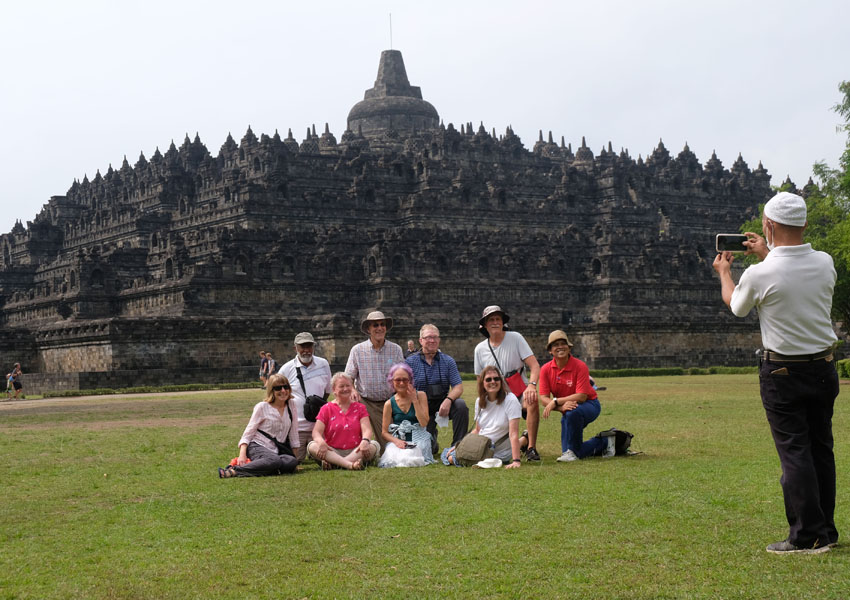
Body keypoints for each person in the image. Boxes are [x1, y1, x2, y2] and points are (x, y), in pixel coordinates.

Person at [713, 191, 839, 555]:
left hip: (782, 372)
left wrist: (725, 273)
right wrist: (768, 253)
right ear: (805, 224)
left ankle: (806, 536)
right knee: (820, 450)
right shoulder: (825, 262)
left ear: (767, 225)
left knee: (794, 453)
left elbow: (737, 305)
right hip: (823, 368)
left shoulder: (759, 273)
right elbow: (791, 277)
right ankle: (825, 530)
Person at [473, 305, 541, 461]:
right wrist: (483, 402)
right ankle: (522, 441)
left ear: (503, 322)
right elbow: (480, 380)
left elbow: (535, 366)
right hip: (497, 397)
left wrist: (531, 385)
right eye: (491, 320)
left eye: (498, 319)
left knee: (532, 400)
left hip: (519, 392)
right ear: (485, 325)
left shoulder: (516, 338)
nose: (495, 322)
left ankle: (531, 447)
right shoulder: (480, 349)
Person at [540, 330, 613, 462]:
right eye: (555, 345)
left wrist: (556, 401)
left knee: (572, 414)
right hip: (567, 409)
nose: (560, 347)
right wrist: (561, 408)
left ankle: (597, 444)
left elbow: (582, 396)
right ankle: (606, 441)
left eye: (563, 343)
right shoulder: (545, 369)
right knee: (570, 451)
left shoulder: (580, 366)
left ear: (569, 347)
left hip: (589, 405)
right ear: (550, 351)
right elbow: (544, 398)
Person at [345, 310, 404, 453]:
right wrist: (352, 390)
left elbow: (403, 376)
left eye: (382, 324)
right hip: (365, 401)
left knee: (389, 448)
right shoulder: (357, 350)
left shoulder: (395, 349)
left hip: (389, 402)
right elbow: (348, 377)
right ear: (368, 329)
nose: (379, 328)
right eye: (375, 325)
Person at [219, 374, 300, 478]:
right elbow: (249, 432)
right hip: (257, 445)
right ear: (272, 390)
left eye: (286, 387)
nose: (283, 391)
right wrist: (242, 455)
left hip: (276, 450)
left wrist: (295, 461)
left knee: (291, 462)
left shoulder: (291, 405)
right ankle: (234, 471)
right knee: (274, 460)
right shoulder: (262, 407)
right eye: (278, 388)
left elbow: (294, 434)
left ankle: (261, 468)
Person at [443, 365, 522, 469]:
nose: (493, 382)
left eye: (496, 378)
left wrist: (516, 460)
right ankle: (524, 439)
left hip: (497, 449)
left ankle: (524, 440)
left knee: (452, 459)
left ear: (501, 381)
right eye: (488, 379)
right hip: (479, 445)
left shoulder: (510, 400)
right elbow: (477, 429)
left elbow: (513, 433)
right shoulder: (480, 401)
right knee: (448, 452)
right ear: (483, 383)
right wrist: (460, 445)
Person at [406, 323, 468, 453]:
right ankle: (431, 437)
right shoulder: (410, 362)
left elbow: (458, 387)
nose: (432, 340)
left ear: (439, 340)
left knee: (460, 405)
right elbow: (405, 389)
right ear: (421, 340)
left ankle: (458, 446)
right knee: (429, 449)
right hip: (422, 407)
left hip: (442, 404)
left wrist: (449, 400)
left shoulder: (448, 361)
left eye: (435, 337)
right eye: (428, 337)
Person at [278, 331, 332, 462]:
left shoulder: (323, 364)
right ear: (295, 348)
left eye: (309, 346)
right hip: (297, 429)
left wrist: (315, 405)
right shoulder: (286, 369)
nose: (306, 350)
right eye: (302, 347)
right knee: (293, 460)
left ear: (314, 347)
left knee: (325, 457)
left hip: (319, 428)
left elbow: (327, 391)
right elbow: (278, 396)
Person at [308, 372, 380, 470]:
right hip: (332, 451)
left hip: (356, 450)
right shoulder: (326, 408)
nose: (345, 389)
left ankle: (336, 464)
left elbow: (367, 430)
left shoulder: (360, 407)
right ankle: (350, 465)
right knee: (312, 446)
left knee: (374, 445)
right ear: (334, 390)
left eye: (348, 386)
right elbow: (316, 432)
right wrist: (320, 442)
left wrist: (365, 441)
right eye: (341, 386)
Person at [380, 362, 433, 464]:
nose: (401, 383)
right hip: (399, 442)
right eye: (397, 380)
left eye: (405, 379)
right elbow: (384, 432)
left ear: (410, 381)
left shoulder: (421, 395)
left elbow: (424, 423)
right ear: (392, 382)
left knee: (409, 458)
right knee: (391, 459)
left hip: (419, 440)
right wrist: (397, 441)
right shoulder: (389, 403)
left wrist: (415, 401)